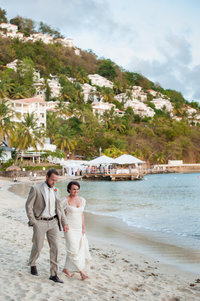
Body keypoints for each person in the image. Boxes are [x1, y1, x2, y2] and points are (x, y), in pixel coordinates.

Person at [25, 168, 69, 283]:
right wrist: (33, 221)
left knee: (55, 248)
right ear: (47, 177)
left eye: (56, 180)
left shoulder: (56, 190)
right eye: (52, 180)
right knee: (38, 246)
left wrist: (64, 223)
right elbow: (28, 206)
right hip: (40, 222)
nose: (54, 182)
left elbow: (59, 209)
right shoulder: (36, 189)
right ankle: (33, 263)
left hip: (54, 222)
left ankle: (54, 274)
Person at [62, 181, 91, 280]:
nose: (76, 191)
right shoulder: (65, 200)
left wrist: (83, 227)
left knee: (76, 249)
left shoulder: (82, 200)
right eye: (74, 189)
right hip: (69, 228)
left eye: (77, 189)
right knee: (73, 249)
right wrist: (64, 224)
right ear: (69, 189)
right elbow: (60, 213)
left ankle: (66, 269)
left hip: (79, 228)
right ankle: (82, 272)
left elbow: (82, 214)